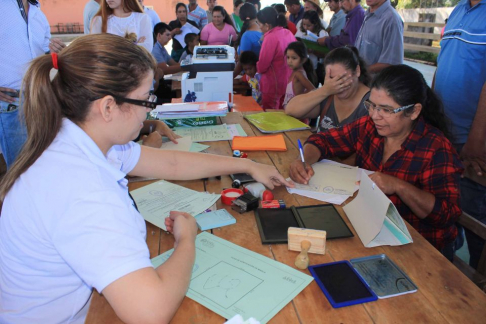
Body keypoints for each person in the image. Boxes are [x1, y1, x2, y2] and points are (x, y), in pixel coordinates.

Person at [0, 33, 292, 323]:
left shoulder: (85, 140)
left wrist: (250, 166)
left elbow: (173, 162)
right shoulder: (81, 189)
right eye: (145, 99)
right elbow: (150, 312)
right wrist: (187, 240)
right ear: (108, 107)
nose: (150, 109)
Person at [290, 64, 463, 260]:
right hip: (370, 230)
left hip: (420, 249)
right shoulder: (369, 127)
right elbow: (324, 140)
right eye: (371, 105)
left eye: (386, 110)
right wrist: (302, 160)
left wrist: (398, 186)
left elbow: (447, 214)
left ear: (414, 112)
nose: (374, 115)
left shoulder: (436, 149)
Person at [434, 0, 486, 269]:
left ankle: (479, 286)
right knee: (448, 205)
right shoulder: (457, 10)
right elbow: (442, 62)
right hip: (447, 131)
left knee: (473, 212)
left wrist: (477, 140)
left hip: (472, 141)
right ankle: (448, 268)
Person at [0, 0, 52, 169]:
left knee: (39, 165)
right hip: (10, 102)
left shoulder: (38, 12)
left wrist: (55, 53)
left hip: (38, 98)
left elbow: (44, 53)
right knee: (20, 170)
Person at [286, 46, 370, 132]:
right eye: (332, 78)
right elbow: (291, 109)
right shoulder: (328, 93)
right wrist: (325, 90)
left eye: (342, 78)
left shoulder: (372, 103)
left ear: (357, 71)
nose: (337, 84)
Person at [257, 7, 296, 110]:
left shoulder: (270, 37)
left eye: (259, 24)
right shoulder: (288, 33)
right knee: (284, 115)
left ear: (267, 25)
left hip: (273, 84)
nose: (259, 27)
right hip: (288, 82)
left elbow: (262, 66)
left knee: (271, 117)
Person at [354, 0, 403, 73]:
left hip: (374, 82)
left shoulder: (391, 20)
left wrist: (360, 72)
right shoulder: (368, 15)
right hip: (361, 79)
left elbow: (392, 63)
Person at [295, 10, 328, 85]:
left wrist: (313, 51)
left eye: (309, 25)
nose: (306, 27)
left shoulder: (322, 33)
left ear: (315, 24)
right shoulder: (301, 32)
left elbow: (326, 53)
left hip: (316, 68)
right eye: (304, 24)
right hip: (304, 67)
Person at [283, 42, 316, 109]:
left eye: (294, 58)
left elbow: (312, 89)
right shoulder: (294, 72)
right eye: (288, 57)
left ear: (303, 60)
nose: (290, 61)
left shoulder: (299, 74)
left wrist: (297, 99)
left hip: (296, 112)